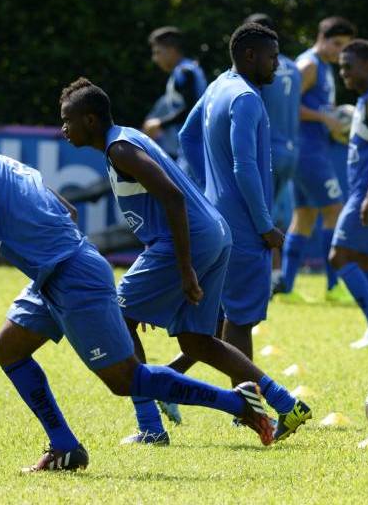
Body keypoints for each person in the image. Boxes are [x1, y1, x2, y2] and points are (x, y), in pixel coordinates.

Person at [0, 105, 276, 473]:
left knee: (126, 380)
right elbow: (68, 210)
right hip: (54, 273)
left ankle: (238, 403)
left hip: (70, 274)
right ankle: (64, 447)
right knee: (9, 350)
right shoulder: (5, 164)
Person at [60, 77, 312, 445]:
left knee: (118, 318)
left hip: (189, 242)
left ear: (90, 120)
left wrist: (183, 269)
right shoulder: (127, 139)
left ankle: (150, 427)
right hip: (215, 234)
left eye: (68, 120)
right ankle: (287, 403)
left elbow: (173, 197)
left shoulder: (120, 149)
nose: (63, 129)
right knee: (197, 342)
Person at [177, 22, 285, 362]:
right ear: (250, 55)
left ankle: (170, 377)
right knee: (241, 321)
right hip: (244, 224)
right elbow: (244, 166)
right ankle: (247, 396)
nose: (277, 64)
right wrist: (265, 226)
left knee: (222, 316)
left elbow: (186, 136)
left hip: (216, 216)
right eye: (272, 57)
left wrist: (206, 185)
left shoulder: (218, 86)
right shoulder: (246, 98)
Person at [277, 17, 357, 298]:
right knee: (335, 210)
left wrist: (331, 119)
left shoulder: (324, 66)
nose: (340, 51)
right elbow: (285, 104)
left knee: (305, 216)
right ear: (321, 38)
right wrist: (324, 118)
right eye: (336, 44)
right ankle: (334, 286)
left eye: (345, 46)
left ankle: (286, 286)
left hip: (309, 150)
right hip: (307, 152)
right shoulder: (309, 64)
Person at [326, 39, 368, 348]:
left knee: (338, 256)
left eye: (349, 67)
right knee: (365, 261)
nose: (344, 73)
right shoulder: (367, 100)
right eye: (341, 68)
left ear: (367, 64)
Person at [244, 14, 303, 291]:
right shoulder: (295, 67)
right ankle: (277, 275)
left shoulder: (260, 67)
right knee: (278, 217)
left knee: (260, 217)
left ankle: (264, 279)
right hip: (292, 150)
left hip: (269, 150)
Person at [144, 27, 208, 172]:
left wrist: (160, 124)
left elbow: (192, 110)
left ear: (172, 51)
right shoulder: (188, 68)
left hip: (194, 147)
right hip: (192, 146)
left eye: (158, 52)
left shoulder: (184, 72)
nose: (155, 58)